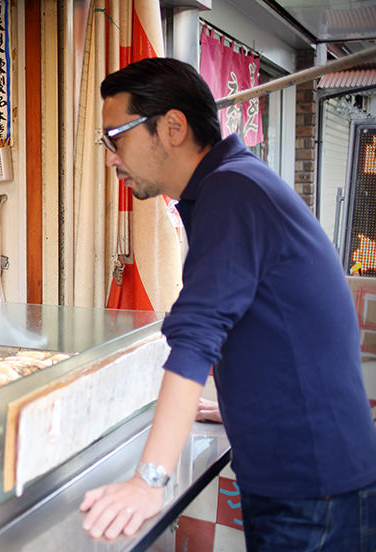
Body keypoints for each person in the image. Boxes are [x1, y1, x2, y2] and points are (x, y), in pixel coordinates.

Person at [80, 57, 376, 551]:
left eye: (117, 137)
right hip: (310, 476)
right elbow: (269, 322)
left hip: (313, 491)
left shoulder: (232, 192)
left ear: (172, 127)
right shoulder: (228, 187)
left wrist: (148, 480)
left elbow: (197, 333)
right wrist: (240, 401)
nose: (111, 156)